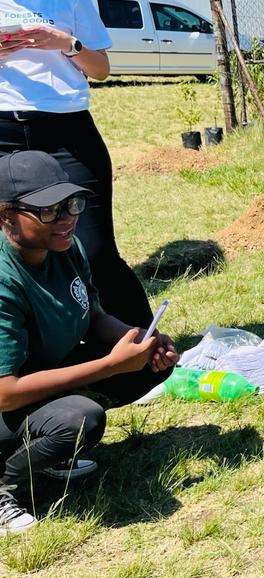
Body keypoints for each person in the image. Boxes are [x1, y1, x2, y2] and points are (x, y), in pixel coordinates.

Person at [0, 150, 177, 534]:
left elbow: (93, 315)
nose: (66, 219)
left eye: (71, 204)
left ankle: (43, 451)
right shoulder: (4, 280)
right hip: (6, 397)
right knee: (79, 419)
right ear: (6, 216)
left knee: (146, 364)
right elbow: (7, 394)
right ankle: (5, 482)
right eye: (48, 210)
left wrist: (140, 340)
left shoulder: (64, 246)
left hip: (36, 376)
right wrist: (111, 365)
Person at [0, 0, 152, 328]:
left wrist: (64, 43)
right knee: (14, 249)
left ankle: (143, 349)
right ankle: (36, 352)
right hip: (3, 130)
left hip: (66, 130)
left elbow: (101, 69)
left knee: (94, 246)